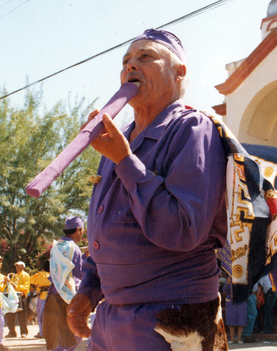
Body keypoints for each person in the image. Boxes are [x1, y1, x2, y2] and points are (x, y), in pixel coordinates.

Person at [66, 29, 228, 351]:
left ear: (179, 72)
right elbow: (109, 231)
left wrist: (125, 160)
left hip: (172, 316)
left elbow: (183, 228)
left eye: (145, 57)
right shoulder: (117, 138)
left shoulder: (192, 129)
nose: (130, 67)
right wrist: (88, 291)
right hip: (111, 318)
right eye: (125, 61)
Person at [43, 216, 84, 351]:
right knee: (75, 333)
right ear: (78, 230)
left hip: (54, 294)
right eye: (82, 230)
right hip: (69, 296)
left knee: (61, 334)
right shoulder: (75, 248)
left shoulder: (56, 246)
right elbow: (78, 274)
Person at [5, 261, 30, 338]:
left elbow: (26, 287)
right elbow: (10, 285)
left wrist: (15, 286)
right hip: (13, 296)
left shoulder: (25, 275)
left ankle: (24, 332)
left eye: (18, 266)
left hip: (21, 296)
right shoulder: (14, 276)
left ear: (22, 267)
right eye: (16, 266)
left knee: (22, 315)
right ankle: (12, 332)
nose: (17, 267)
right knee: (10, 314)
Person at [29, 260, 51, 339]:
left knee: (41, 315)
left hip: (42, 296)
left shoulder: (40, 274)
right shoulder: (53, 274)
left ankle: (42, 332)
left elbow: (31, 280)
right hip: (51, 296)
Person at [223, 277, 246, 344]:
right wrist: (227, 283)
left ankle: (239, 338)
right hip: (231, 302)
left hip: (240, 301)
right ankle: (232, 338)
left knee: (240, 320)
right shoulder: (229, 279)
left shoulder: (243, 280)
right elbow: (224, 290)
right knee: (231, 320)